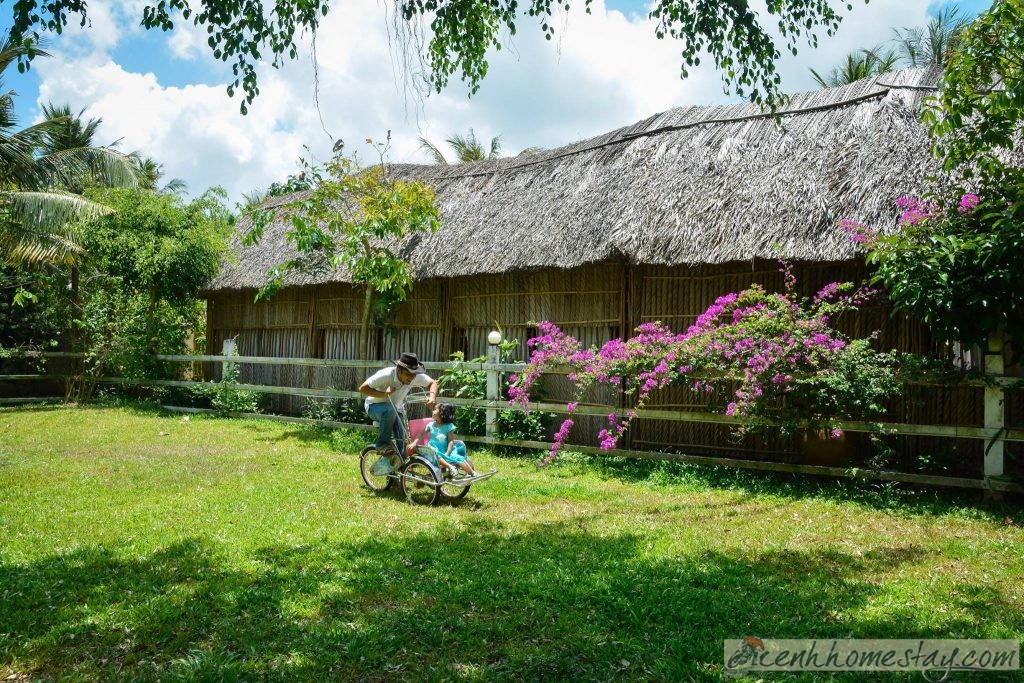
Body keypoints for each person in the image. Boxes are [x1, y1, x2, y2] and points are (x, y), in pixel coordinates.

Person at [359, 352, 438, 458]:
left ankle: (400, 469)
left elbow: (433, 383)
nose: (412, 378)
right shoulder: (386, 375)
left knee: (403, 438)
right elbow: (363, 388)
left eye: (414, 374)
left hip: (396, 409)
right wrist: (384, 395)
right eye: (409, 374)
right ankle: (382, 445)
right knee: (389, 410)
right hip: (374, 406)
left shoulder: (414, 376)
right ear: (399, 370)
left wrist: (432, 396)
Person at [406, 402, 475, 478]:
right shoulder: (431, 425)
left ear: (442, 413)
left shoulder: (449, 426)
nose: (432, 411)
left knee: (458, 457)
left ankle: (472, 473)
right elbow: (421, 434)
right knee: (436, 454)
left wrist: (448, 453)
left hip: (446, 449)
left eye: (435, 409)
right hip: (433, 449)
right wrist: (414, 443)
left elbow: (451, 441)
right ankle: (450, 467)